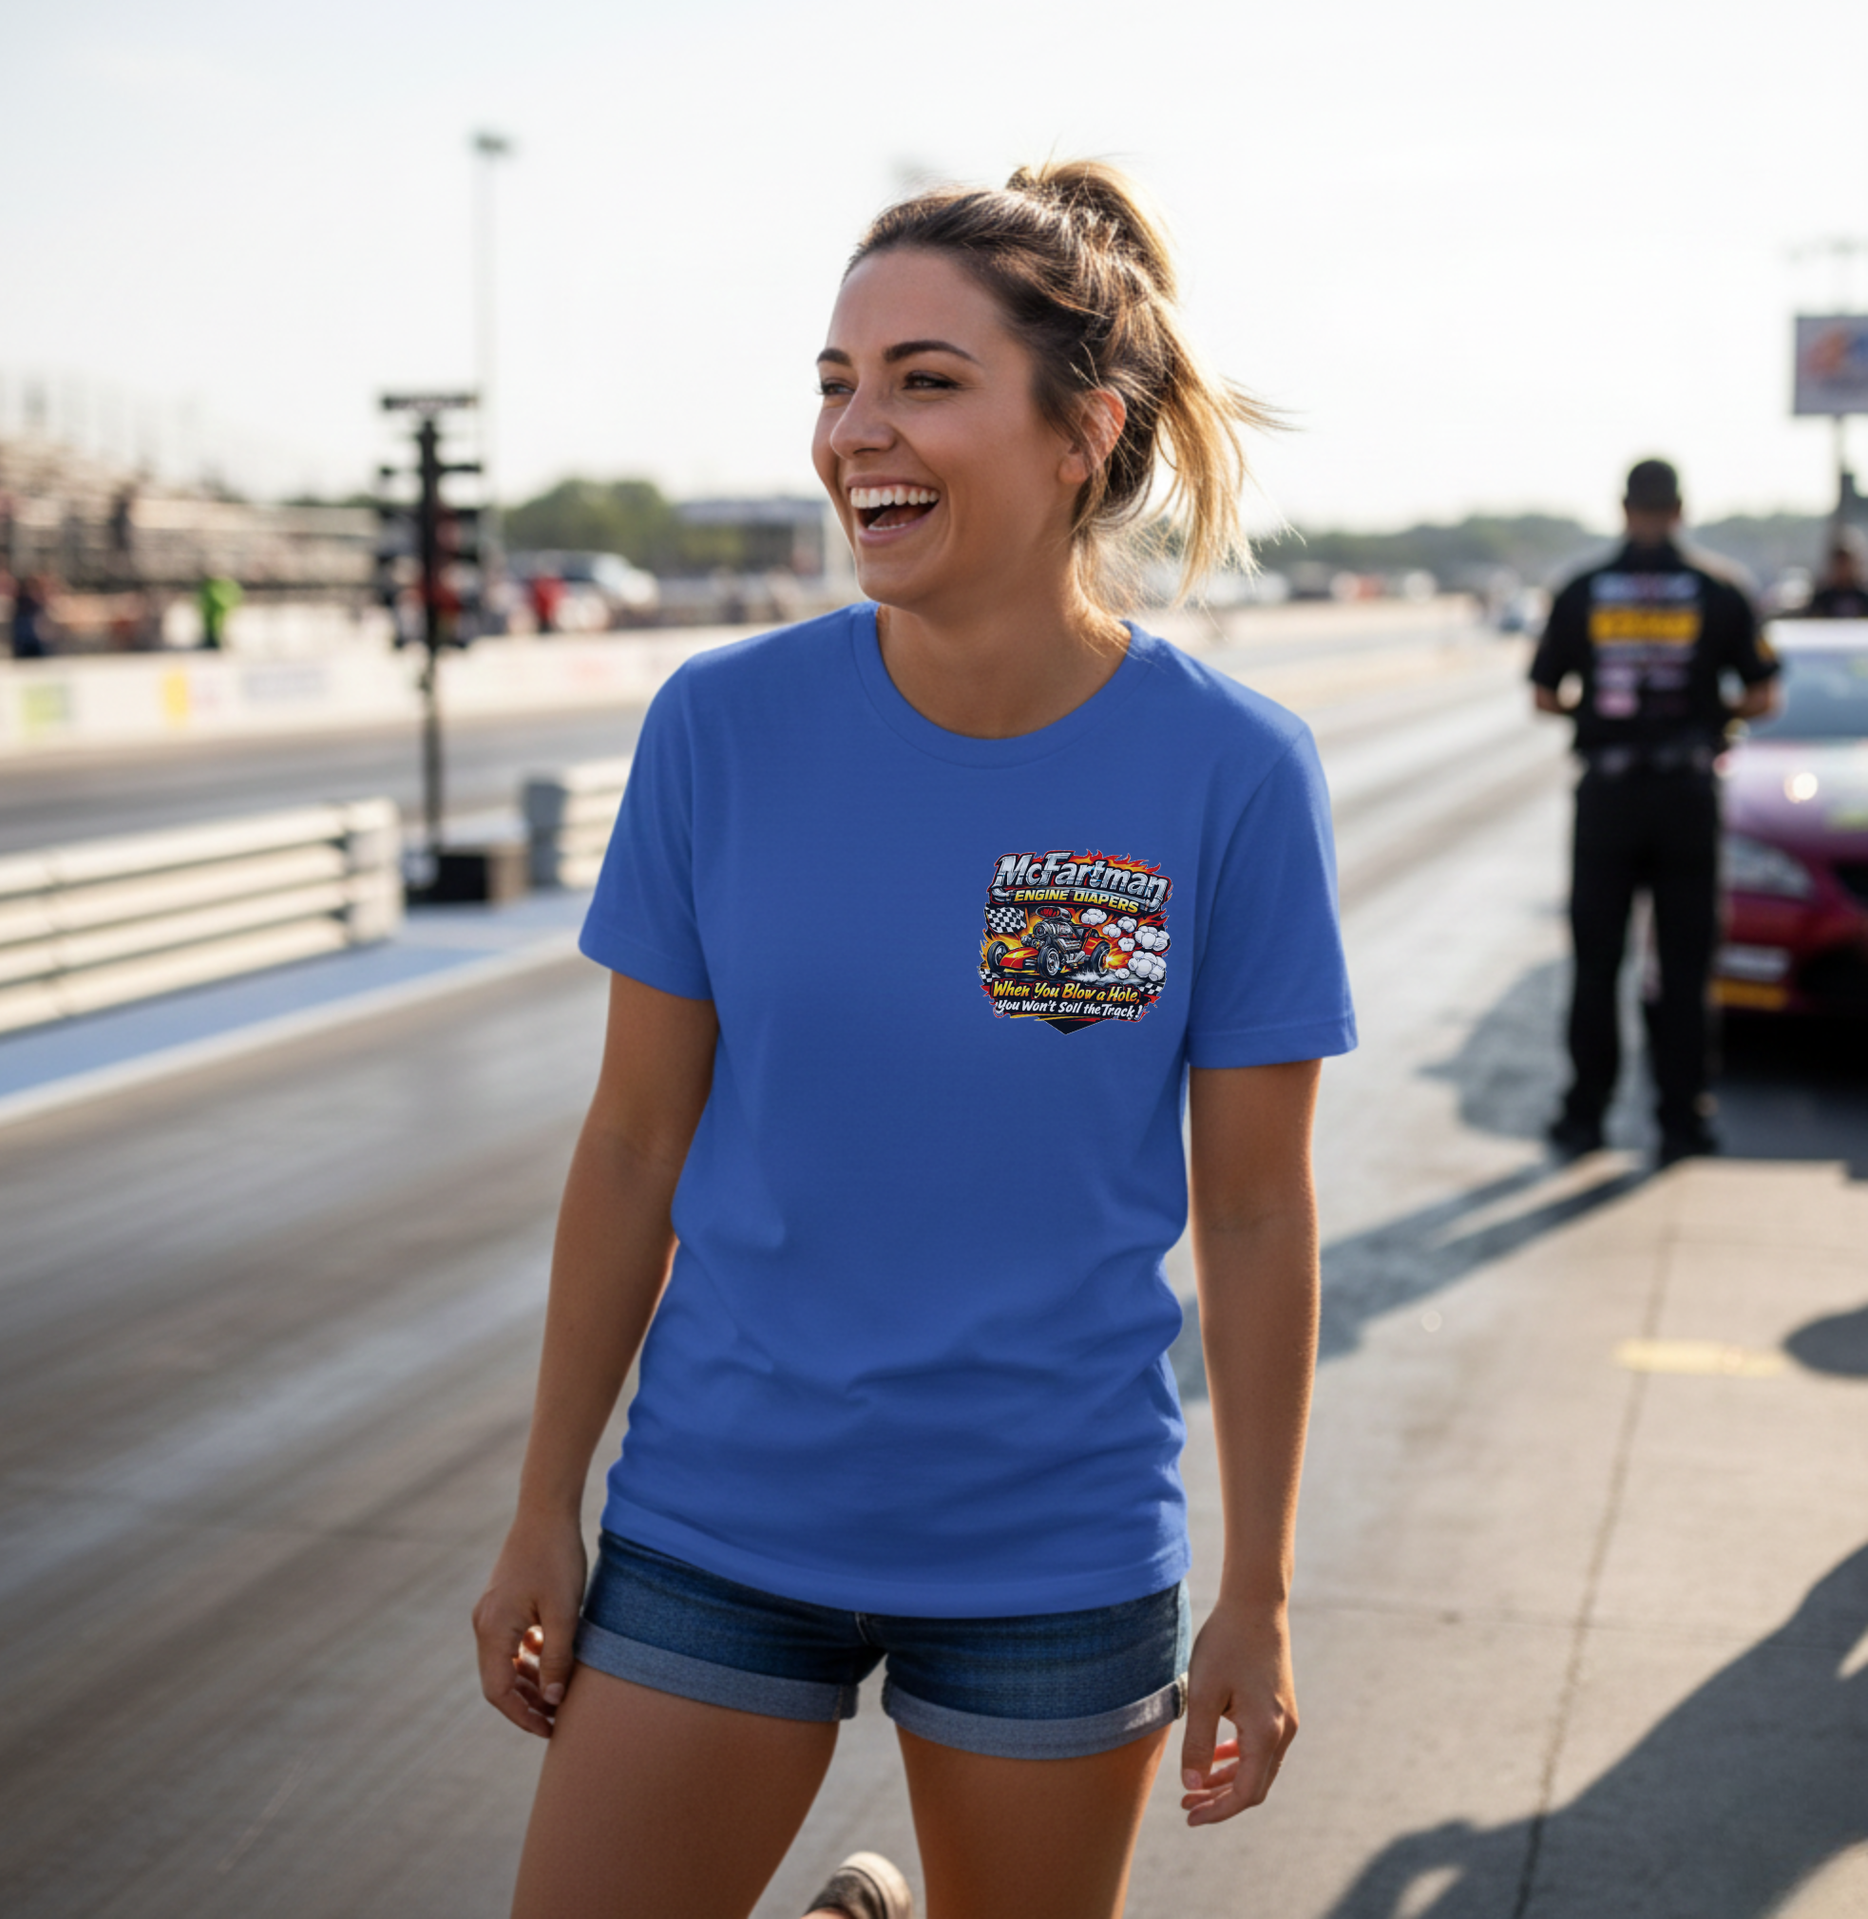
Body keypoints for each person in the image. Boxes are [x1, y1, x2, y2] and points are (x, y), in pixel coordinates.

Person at [473, 160, 1357, 1919]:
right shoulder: (720, 728)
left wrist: (1256, 1590)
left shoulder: (1232, 774)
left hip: (1051, 1546)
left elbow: (1257, 1209)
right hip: (721, 1513)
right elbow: (635, 1142)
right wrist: (540, 1503)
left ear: (1081, 434)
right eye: (836, 381)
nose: (854, 431)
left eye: (924, 380)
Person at [1529, 459, 1779, 1168]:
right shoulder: (1720, 588)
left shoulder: (1581, 590)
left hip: (1608, 798)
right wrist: (1707, 717)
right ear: (1680, 508)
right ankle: (1681, 1123)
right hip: (1686, 798)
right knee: (1686, 969)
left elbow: (1544, 696)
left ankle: (1584, 1118)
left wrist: (1600, 718)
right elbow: (1765, 695)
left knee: (1596, 966)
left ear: (1623, 507)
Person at [1800, 528, 1868, 617]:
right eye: (1839, 564)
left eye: (1846, 564)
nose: (1843, 570)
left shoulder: (1862, 598)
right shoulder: (1822, 599)